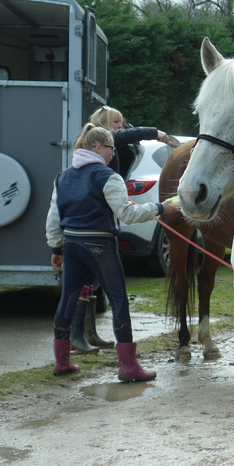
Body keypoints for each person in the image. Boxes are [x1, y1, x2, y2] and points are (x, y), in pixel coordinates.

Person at [46, 123, 165, 381]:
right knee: (119, 300)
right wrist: (159, 208)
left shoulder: (62, 176)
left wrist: (56, 248)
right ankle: (128, 366)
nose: (114, 153)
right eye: (111, 148)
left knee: (67, 298)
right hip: (101, 245)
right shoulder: (109, 176)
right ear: (97, 147)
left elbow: (54, 218)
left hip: (72, 245)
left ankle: (61, 362)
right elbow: (128, 214)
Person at [68, 106, 173, 352]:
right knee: (101, 285)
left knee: (90, 280)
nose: (120, 126)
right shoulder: (106, 140)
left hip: (97, 219)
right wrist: (155, 132)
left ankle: (87, 333)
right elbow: (128, 135)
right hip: (97, 225)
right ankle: (81, 337)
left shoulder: (97, 150)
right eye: (116, 122)